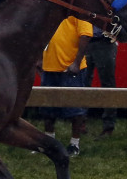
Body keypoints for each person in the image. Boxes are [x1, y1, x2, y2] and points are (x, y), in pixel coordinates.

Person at [83, 0, 125, 137]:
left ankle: (108, 125)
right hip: (87, 38)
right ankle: (80, 121)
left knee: (107, 84)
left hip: (104, 40)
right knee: (83, 82)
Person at [36, 16, 92, 156]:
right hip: (49, 66)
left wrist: (77, 63)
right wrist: (38, 58)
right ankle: (49, 142)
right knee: (47, 108)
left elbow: (85, 35)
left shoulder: (79, 11)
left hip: (71, 67)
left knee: (75, 109)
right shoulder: (52, 8)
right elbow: (41, 33)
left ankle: (74, 144)